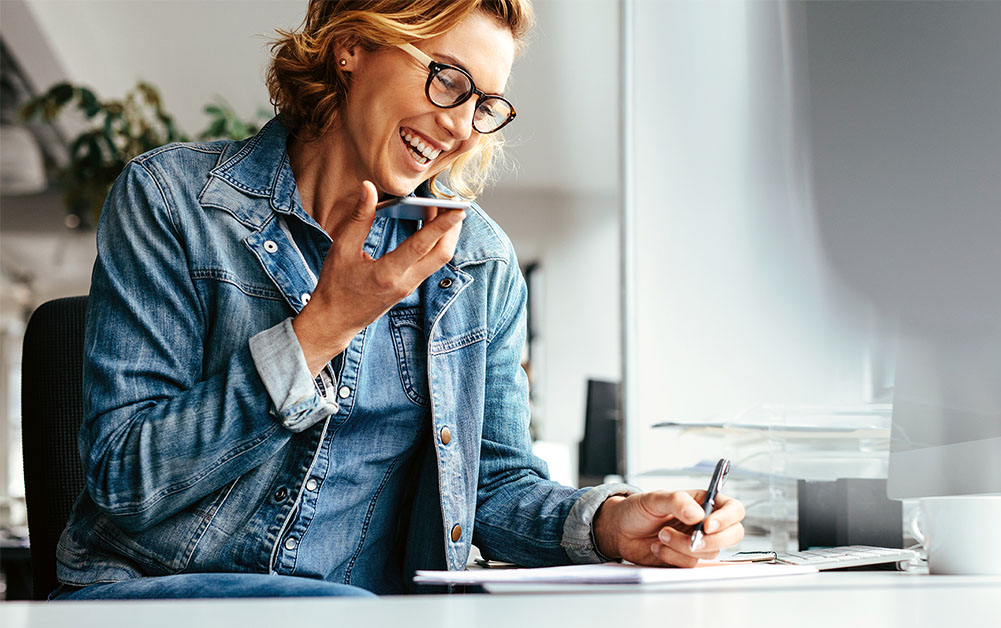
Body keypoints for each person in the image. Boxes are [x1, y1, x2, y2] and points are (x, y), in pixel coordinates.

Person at [51, 0, 744, 600]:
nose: (463, 125)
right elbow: (126, 480)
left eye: (484, 104)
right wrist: (321, 328)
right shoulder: (175, 201)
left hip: (356, 612)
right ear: (351, 46)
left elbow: (493, 491)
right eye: (449, 79)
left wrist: (609, 524)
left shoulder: (477, 262)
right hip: (148, 599)